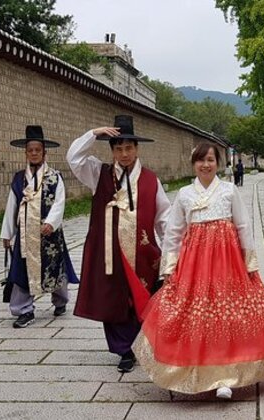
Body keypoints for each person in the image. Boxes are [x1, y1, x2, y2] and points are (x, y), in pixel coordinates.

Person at [132, 143, 264, 399]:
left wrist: (249, 261)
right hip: (194, 265)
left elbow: (243, 225)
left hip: (228, 263)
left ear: (218, 163)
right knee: (195, 314)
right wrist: (169, 268)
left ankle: (227, 376)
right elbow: (173, 232)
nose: (206, 165)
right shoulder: (184, 194)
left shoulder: (228, 191)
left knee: (230, 314)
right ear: (193, 164)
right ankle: (197, 371)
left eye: (210, 160)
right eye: (200, 160)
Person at [66, 115, 171, 373]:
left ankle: (140, 344)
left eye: (129, 148)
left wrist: (171, 253)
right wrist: (94, 133)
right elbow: (73, 158)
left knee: (142, 299)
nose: (124, 154)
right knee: (114, 300)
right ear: (111, 151)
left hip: (143, 253)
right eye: (118, 149)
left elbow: (164, 218)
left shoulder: (150, 180)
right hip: (110, 253)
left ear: (137, 149)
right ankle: (124, 350)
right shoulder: (98, 174)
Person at [1, 125, 79, 329]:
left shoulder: (54, 176)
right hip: (26, 235)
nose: (34, 153)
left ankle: (60, 300)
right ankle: (24, 310)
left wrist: (51, 223)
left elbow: (60, 201)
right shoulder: (19, 178)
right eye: (30, 150)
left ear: (44, 152)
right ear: (26, 153)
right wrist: (7, 233)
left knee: (55, 267)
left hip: (49, 234)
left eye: (38, 150)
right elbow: (12, 205)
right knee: (21, 270)